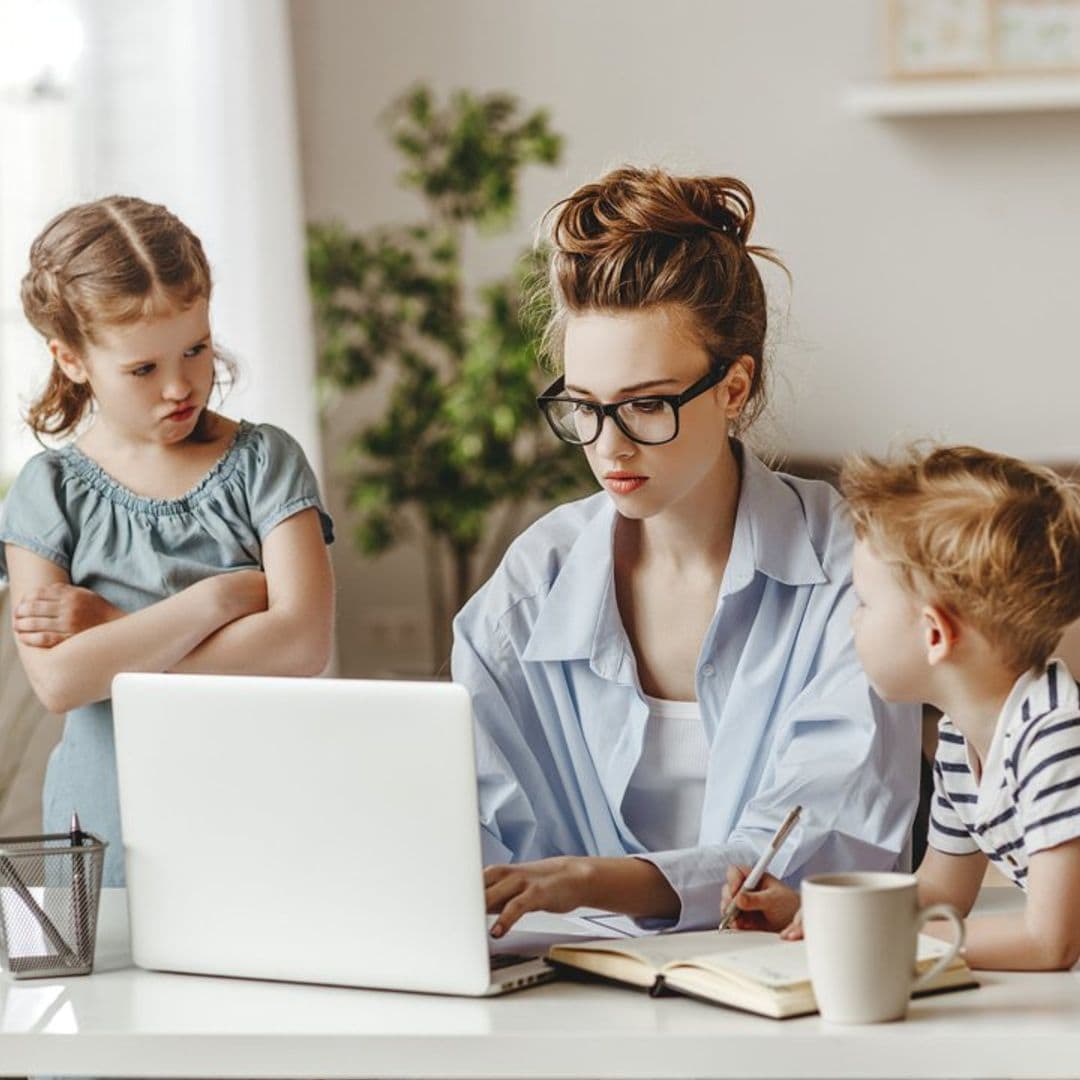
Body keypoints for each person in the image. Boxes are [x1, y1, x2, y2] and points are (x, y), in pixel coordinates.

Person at [451, 166, 921, 936]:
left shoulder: (857, 572)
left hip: (792, 1005)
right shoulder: (533, 584)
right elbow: (462, 832)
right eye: (585, 407)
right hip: (570, 1007)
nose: (608, 447)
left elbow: (814, 859)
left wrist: (581, 881)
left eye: (646, 404)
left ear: (734, 389)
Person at [0, 196, 335, 885]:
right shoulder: (48, 489)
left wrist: (113, 630)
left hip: (260, 811)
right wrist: (215, 601)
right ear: (71, 360)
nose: (180, 386)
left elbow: (302, 645)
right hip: (107, 826)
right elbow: (61, 681)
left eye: (196, 348)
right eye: (143, 369)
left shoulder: (265, 463)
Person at [721, 446, 1080, 970]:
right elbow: (940, 892)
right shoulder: (963, 738)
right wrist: (820, 914)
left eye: (864, 603)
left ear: (935, 635)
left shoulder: (1054, 735)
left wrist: (876, 942)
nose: (852, 622)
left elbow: (1049, 942)